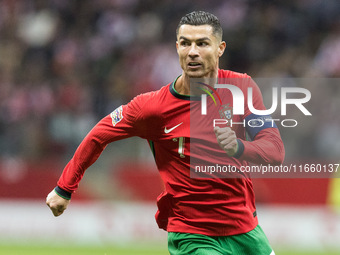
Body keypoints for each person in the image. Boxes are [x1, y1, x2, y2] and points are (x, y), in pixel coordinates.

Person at [46, 11, 284, 255]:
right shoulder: (152, 107)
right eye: (185, 43)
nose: (192, 51)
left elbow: (274, 150)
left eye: (202, 43)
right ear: (177, 47)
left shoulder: (241, 88)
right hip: (193, 235)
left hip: (247, 232)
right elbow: (99, 135)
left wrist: (239, 147)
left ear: (220, 48)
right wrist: (64, 188)